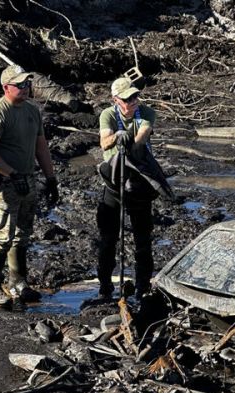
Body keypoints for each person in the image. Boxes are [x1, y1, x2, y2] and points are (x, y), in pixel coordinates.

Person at [0, 64, 59, 306]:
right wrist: (11, 174)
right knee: (2, 235)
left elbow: (41, 146)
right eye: (20, 85)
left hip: (28, 178)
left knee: (23, 234)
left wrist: (51, 177)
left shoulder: (32, 112)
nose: (25, 88)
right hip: (4, 181)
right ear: (6, 87)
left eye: (27, 84)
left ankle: (18, 281)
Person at [96, 77, 159, 301]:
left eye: (135, 97)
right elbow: (104, 143)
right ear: (115, 100)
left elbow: (142, 138)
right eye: (127, 99)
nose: (133, 101)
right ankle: (105, 287)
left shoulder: (147, 112)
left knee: (143, 237)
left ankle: (143, 285)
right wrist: (116, 136)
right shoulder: (108, 115)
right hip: (114, 181)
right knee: (108, 237)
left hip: (139, 180)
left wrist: (131, 140)